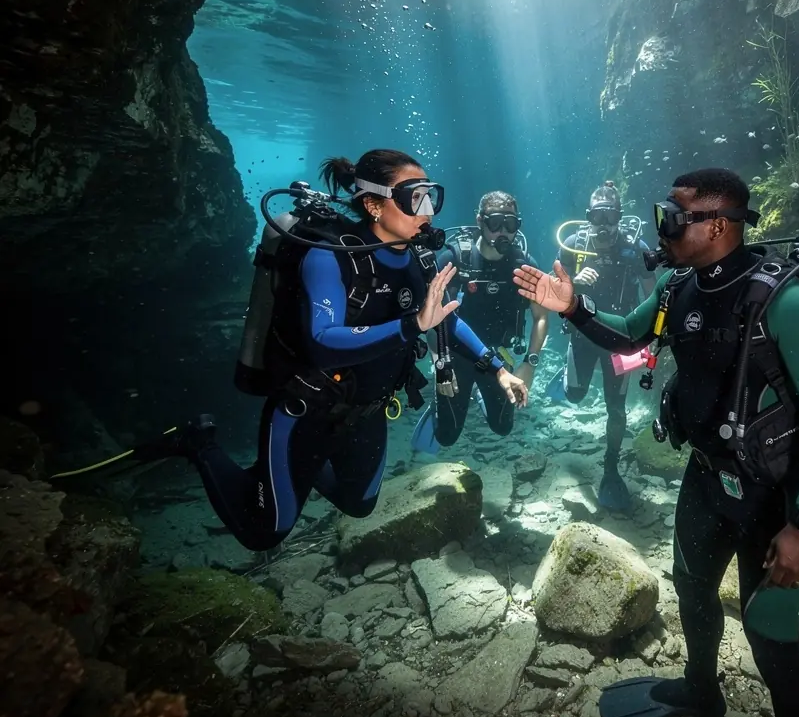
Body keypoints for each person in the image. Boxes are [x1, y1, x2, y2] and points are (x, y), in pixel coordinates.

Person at [513, 168, 799, 717]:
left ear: (717, 226)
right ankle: (703, 692)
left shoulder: (788, 302)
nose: (662, 227)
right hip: (705, 476)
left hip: (773, 499)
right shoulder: (678, 288)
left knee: (776, 648)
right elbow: (627, 337)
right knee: (692, 588)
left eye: (674, 216)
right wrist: (574, 308)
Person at [149, 149, 528, 552]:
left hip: (367, 410)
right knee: (263, 531)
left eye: (430, 196)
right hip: (307, 408)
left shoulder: (420, 260)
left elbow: (446, 319)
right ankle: (200, 444)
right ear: (373, 205)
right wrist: (412, 324)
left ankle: (296, 470)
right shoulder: (330, 255)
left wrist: (497, 369)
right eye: (413, 198)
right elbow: (323, 341)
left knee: (359, 505)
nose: (427, 211)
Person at [412, 191, 549, 452]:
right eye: (495, 223)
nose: (503, 233)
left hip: (501, 355)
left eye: (511, 225)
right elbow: (436, 320)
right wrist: (439, 364)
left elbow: (541, 316)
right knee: (446, 437)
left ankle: (478, 393)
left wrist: (530, 363)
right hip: (456, 356)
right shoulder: (453, 260)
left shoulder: (524, 265)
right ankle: (439, 406)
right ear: (480, 221)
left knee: (503, 428)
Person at [555, 180, 653, 510]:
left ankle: (611, 468)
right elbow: (553, 290)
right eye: (598, 217)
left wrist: (651, 337)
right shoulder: (572, 245)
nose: (604, 225)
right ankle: (565, 377)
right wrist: (574, 284)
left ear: (620, 217)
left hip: (620, 341)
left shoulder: (634, 249)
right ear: (588, 217)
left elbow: (655, 295)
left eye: (610, 217)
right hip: (582, 338)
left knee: (616, 407)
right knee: (575, 395)